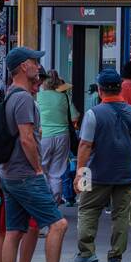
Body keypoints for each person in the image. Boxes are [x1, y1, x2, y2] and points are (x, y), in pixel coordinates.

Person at [0, 47, 77, 262]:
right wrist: (38, 169)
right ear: (22, 67)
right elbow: (27, 138)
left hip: (10, 173)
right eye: (33, 61)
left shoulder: (9, 96)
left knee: (15, 231)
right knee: (58, 224)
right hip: (24, 174)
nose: (37, 65)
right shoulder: (22, 99)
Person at [67, 68, 131, 262]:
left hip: (96, 173)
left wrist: (79, 172)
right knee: (120, 214)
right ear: (120, 88)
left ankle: (86, 252)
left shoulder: (93, 114)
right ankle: (116, 257)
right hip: (126, 173)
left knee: (87, 209)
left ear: (100, 90)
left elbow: (85, 145)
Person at [36, 70, 79, 205]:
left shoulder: (38, 96)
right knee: (57, 172)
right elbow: (75, 117)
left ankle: (43, 202)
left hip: (44, 136)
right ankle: (54, 203)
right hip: (63, 136)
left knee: (41, 169)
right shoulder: (64, 97)